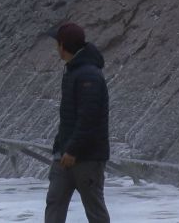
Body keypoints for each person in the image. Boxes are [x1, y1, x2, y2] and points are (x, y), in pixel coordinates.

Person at [46, 22, 111, 223]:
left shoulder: (88, 75)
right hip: (64, 156)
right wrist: (61, 147)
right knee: (54, 204)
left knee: (94, 211)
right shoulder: (73, 70)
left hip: (87, 158)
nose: (55, 47)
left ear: (62, 45)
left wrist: (72, 150)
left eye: (56, 43)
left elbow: (88, 119)